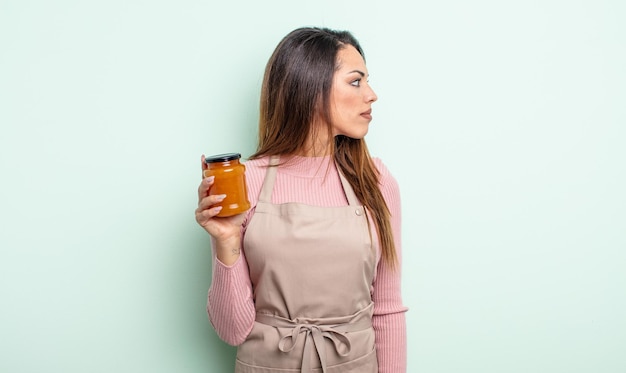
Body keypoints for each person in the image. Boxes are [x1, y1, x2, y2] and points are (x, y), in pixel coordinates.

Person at [195, 26, 407, 373]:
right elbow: (232, 331)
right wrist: (226, 240)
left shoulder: (377, 181)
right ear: (310, 87)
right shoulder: (244, 181)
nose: (371, 95)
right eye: (356, 81)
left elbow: (387, 308)